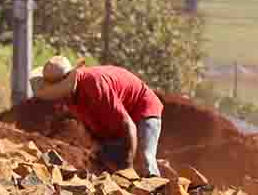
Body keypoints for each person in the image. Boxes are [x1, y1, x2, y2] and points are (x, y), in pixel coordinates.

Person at [31, 57, 164, 178]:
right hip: (117, 118)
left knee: (144, 159)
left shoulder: (94, 85)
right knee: (102, 163)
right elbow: (91, 124)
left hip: (142, 108)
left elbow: (127, 125)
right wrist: (99, 150)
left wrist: (127, 167)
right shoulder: (70, 96)